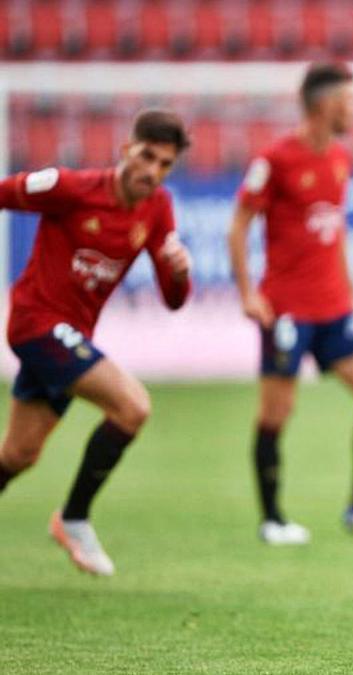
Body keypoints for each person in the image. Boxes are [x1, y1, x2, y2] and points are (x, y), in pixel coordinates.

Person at [0, 109, 193, 576]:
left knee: (18, 455)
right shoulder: (70, 187)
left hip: (69, 340)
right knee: (132, 406)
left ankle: (71, 517)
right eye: (147, 156)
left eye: (165, 164)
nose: (153, 171)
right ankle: (74, 517)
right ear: (126, 149)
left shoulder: (158, 206)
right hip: (35, 324)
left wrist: (178, 271)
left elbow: (173, 301)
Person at [228, 62, 353, 546]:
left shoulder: (340, 158)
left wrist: (351, 293)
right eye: (351, 101)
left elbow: (336, 230)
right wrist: (248, 293)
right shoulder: (276, 159)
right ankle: (273, 519)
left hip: (334, 308)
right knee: (276, 414)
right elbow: (239, 224)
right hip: (286, 309)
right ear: (327, 105)